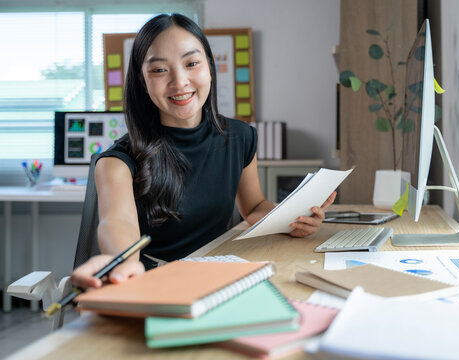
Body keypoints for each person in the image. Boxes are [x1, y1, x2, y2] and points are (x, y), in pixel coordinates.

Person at [71, 13, 335, 289]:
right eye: (159, 70)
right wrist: (124, 264)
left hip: (218, 276)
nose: (179, 81)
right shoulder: (117, 162)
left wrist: (293, 219)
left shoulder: (241, 137)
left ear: (210, 67)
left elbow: (254, 207)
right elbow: (118, 226)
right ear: (142, 80)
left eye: (192, 63)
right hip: (158, 284)